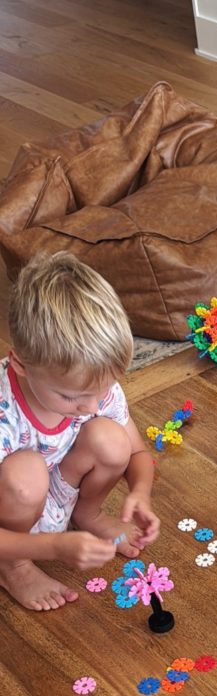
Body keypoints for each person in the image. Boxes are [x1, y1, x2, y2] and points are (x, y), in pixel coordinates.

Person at [0, 252, 160, 611]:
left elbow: (136, 451)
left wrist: (140, 491)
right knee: (26, 473)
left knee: (112, 439)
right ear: (21, 364)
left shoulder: (93, 389)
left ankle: (87, 515)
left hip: (59, 491)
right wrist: (53, 547)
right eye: (71, 397)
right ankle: (13, 566)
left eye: (100, 391)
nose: (90, 406)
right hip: (10, 516)